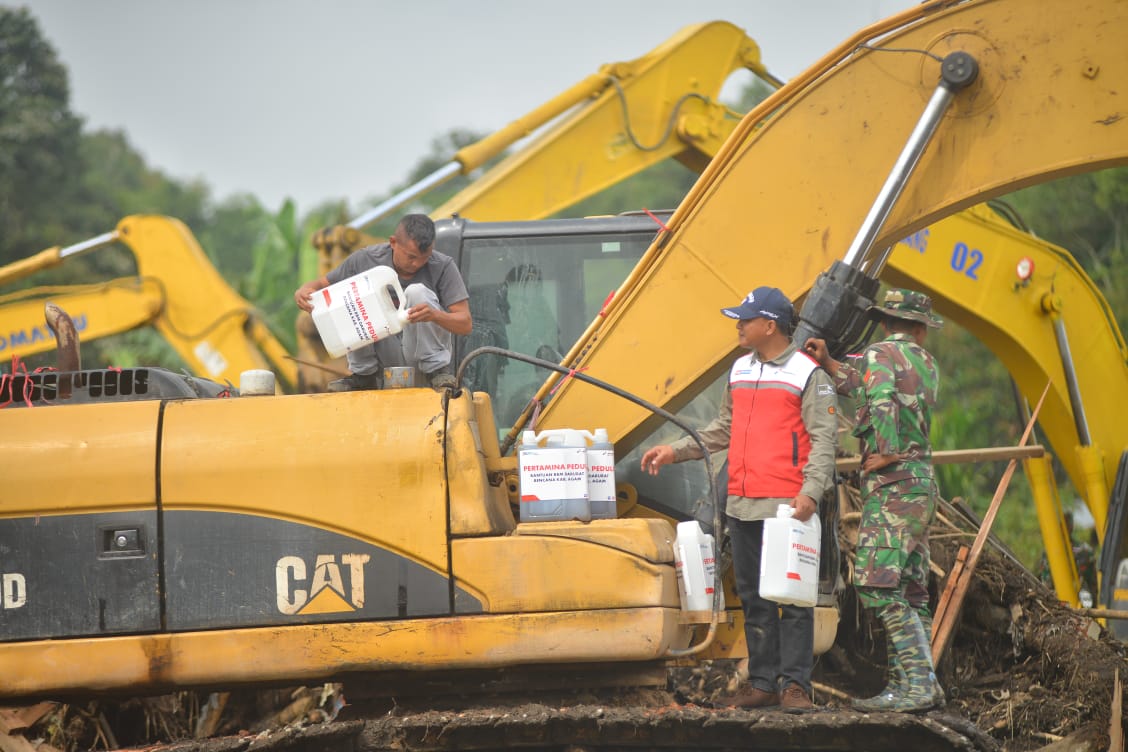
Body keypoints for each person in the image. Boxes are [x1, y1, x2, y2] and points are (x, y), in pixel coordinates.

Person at [641, 286, 838, 712]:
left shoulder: (807, 374)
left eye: (746, 319)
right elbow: (722, 429)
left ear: (770, 326)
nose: (738, 326)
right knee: (754, 596)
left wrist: (810, 492)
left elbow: (824, 440)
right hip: (743, 503)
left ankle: (795, 687)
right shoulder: (740, 370)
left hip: (788, 508)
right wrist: (676, 450)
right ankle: (764, 683)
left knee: (794, 599)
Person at [804, 287, 944, 713]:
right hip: (921, 485)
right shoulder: (926, 362)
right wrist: (829, 362)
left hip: (895, 486)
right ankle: (915, 685)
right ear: (920, 329)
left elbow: (880, 396)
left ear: (886, 322)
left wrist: (883, 447)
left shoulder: (880, 353)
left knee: (874, 583)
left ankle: (917, 685)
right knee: (910, 590)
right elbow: (865, 384)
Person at [294, 214, 472, 391]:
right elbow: (321, 284)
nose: (417, 263)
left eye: (424, 257)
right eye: (411, 257)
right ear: (393, 243)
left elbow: (465, 324)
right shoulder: (364, 260)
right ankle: (364, 375)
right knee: (355, 293)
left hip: (419, 354)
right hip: (383, 351)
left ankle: (436, 371)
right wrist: (304, 291)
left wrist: (435, 315)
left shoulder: (443, 265)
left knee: (417, 292)